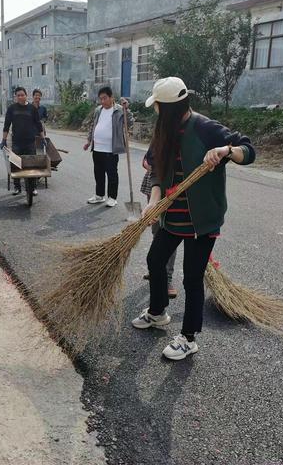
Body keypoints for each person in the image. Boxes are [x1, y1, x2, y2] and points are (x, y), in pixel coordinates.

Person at [131, 77, 255, 361]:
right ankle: (158, 311)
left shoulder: (205, 128)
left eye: (159, 106)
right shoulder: (164, 131)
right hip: (171, 219)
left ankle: (188, 338)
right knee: (155, 260)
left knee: (192, 277)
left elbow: (248, 150)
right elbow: (158, 171)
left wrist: (226, 151)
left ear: (171, 107)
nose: (156, 111)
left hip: (201, 222)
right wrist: (153, 202)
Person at [83, 86, 133, 208]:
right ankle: (99, 196)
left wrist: (127, 110)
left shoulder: (119, 110)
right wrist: (89, 141)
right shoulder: (98, 110)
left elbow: (130, 122)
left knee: (112, 174)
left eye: (105, 98)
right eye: (101, 99)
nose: (102, 101)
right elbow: (93, 126)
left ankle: (112, 197)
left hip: (111, 149)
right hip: (97, 148)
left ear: (111, 98)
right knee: (98, 173)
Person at [140, 152, 178, 299]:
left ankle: (167, 278)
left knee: (169, 233)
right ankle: (155, 269)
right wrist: (148, 164)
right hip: (155, 186)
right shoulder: (160, 135)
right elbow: (148, 159)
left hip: (175, 189)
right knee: (157, 232)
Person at [1, 87, 46, 196]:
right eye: (18, 95)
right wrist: (4, 139)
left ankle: (33, 187)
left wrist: (43, 138)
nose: (20, 97)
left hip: (30, 142)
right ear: (15, 97)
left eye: (22, 95)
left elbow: (38, 124)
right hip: (16, 142)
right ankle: (17, 187)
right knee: (16, 164)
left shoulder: (32, 109)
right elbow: (6, 125)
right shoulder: (12, 108)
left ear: (26, 95)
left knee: (32, 164)